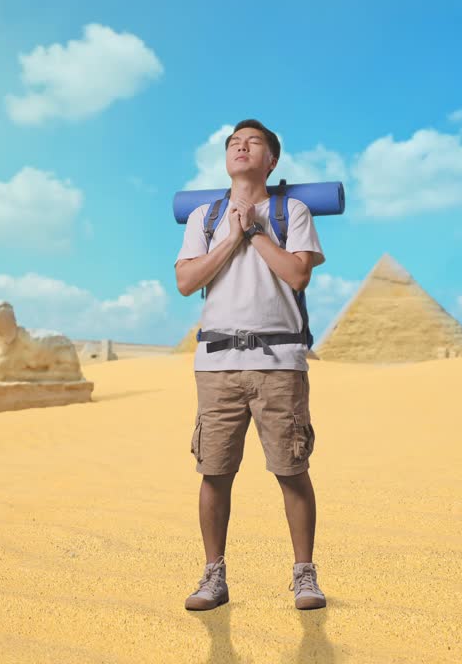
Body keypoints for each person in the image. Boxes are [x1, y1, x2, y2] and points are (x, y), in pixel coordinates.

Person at [173, 118, 327, 611]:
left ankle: (305, 574)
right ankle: (213, 576)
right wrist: (230, 236)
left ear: (272, 160)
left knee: (291, 469)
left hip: (279, 362)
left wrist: (255, 232)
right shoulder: (204, 217)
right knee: (214, 472)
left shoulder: (291, 210)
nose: (242, 147)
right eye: (234, 143)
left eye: (253, 142)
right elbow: (186, 281)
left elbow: (297, 274)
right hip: (216, 363)